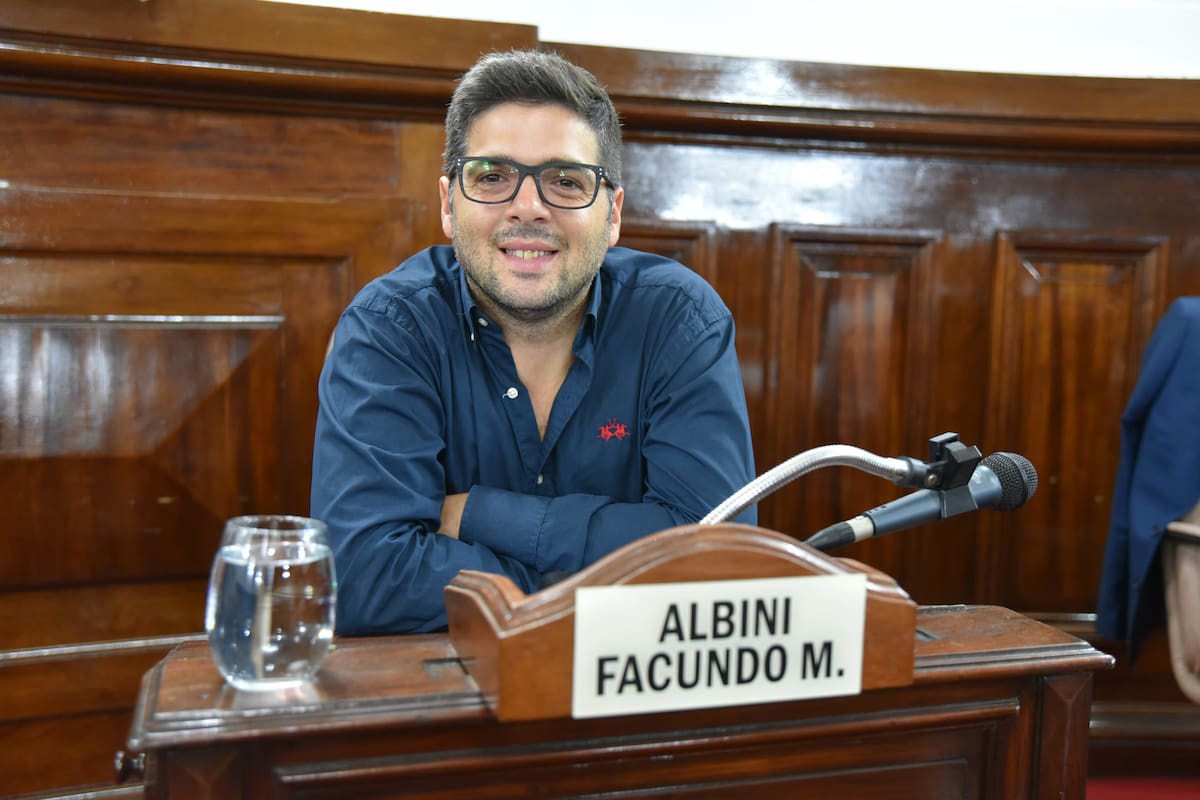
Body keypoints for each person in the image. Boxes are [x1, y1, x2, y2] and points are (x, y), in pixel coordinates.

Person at [311, 49, 757, 635]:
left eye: (565, 181)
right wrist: (605, 582)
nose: (527, 208)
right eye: (491, 177)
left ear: (613, 214)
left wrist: (476, 514)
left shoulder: (678, 320)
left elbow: (718, 560)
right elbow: (364, 578)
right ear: (449, 203)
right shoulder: (389, 328)